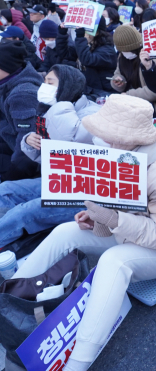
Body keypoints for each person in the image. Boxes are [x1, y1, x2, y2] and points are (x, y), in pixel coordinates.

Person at [6, 94, 156, 371]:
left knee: (113, 262)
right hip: (134, 230)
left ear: (129, 139)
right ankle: (8, 299)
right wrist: (98, 220)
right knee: (65, 231)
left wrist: (109, 219)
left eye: (110, 134)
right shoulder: (116, 154)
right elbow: (114, 213)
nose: (102, 138)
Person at [0, 66, 100, 248]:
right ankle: (8, 233)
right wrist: (28, 142)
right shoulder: (53, 110)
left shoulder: (90, 115)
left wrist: (58, 105)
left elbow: (72, 136)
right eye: (44, 81)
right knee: (5, 190)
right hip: (61, 181)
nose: (43, 87)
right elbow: (53, 159)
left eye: (50, 83)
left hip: (86, 193)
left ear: (66, 87)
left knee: (25, 212)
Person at [0, 41, 40, 181]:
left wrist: (10, 177)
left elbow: (27, 141)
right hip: (7, 139)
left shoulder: (22, 95)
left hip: (19, 158)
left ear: (7, 67)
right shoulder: (9, 81)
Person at [110, 26, 156, 112]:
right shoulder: (122, 56)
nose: (125, 54)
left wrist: (129, 95)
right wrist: (118, 81)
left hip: (154, 107)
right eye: (122, 51)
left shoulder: (155, 57)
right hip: (129, 104)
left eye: (129, 50)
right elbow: (118, 73)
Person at [57, 18, 118, 95]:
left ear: (96, 33)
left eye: (84, 31)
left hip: (102, 92)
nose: (81, 33)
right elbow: (65, 54)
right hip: (87, 90)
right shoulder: (87, 45)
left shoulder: (107, 51)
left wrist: (80, 37)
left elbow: (87, 59)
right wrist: (62, 33)